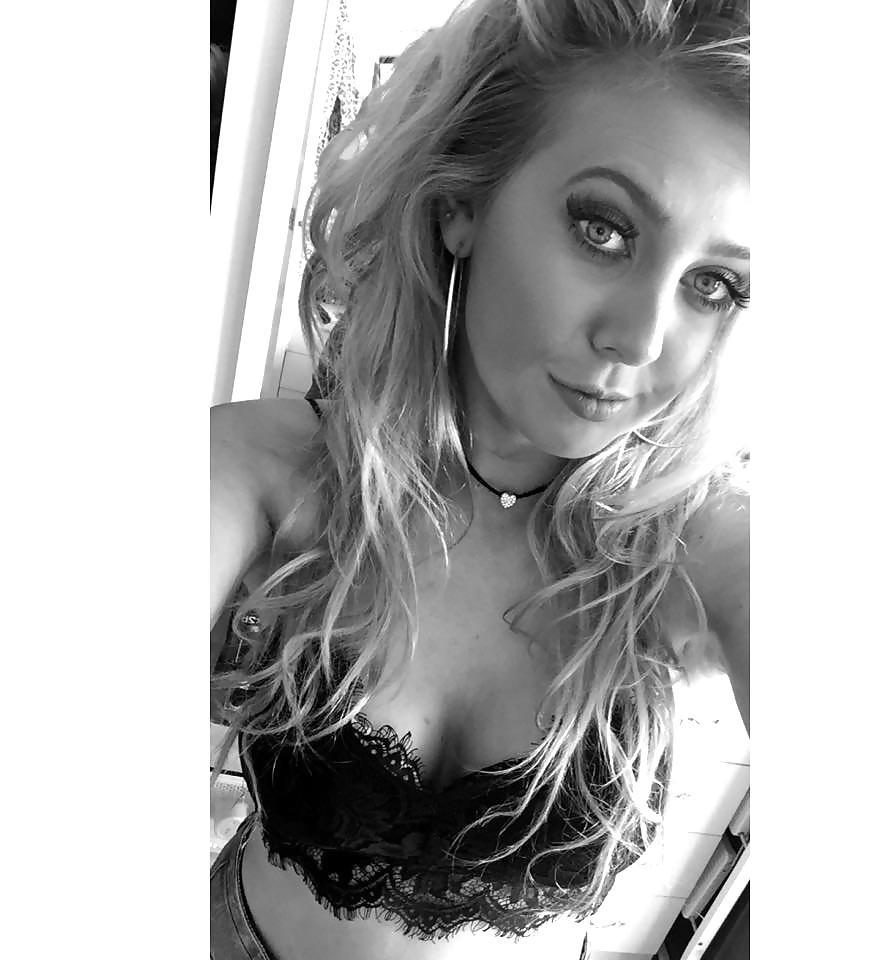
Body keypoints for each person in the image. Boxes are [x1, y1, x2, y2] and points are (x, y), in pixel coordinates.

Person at [210, 1, 750, 958]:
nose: (642, 340)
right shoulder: (267, 471)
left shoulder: (689, 542)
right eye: (605, 230)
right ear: (463, 204)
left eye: (713, 285)